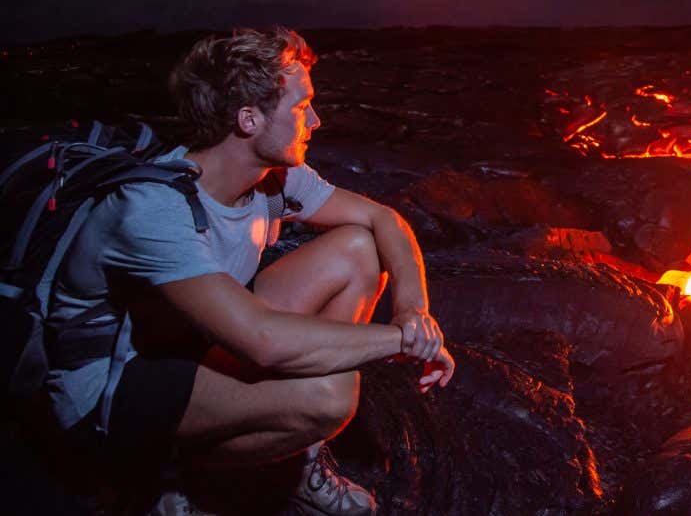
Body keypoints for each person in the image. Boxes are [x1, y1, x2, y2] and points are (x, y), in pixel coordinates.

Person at [44, 27, 454, 515]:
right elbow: (260, 339)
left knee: (357, 249)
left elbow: (382, 219)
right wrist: (402, 342)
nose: (316, 121)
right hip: (115, 383)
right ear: (248, 119)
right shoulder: (153, 209)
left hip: (193, 334)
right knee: (329, 396)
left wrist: (414, 312)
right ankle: (169, 479)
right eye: (302, 108)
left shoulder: (273, 177)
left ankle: (294, 458)